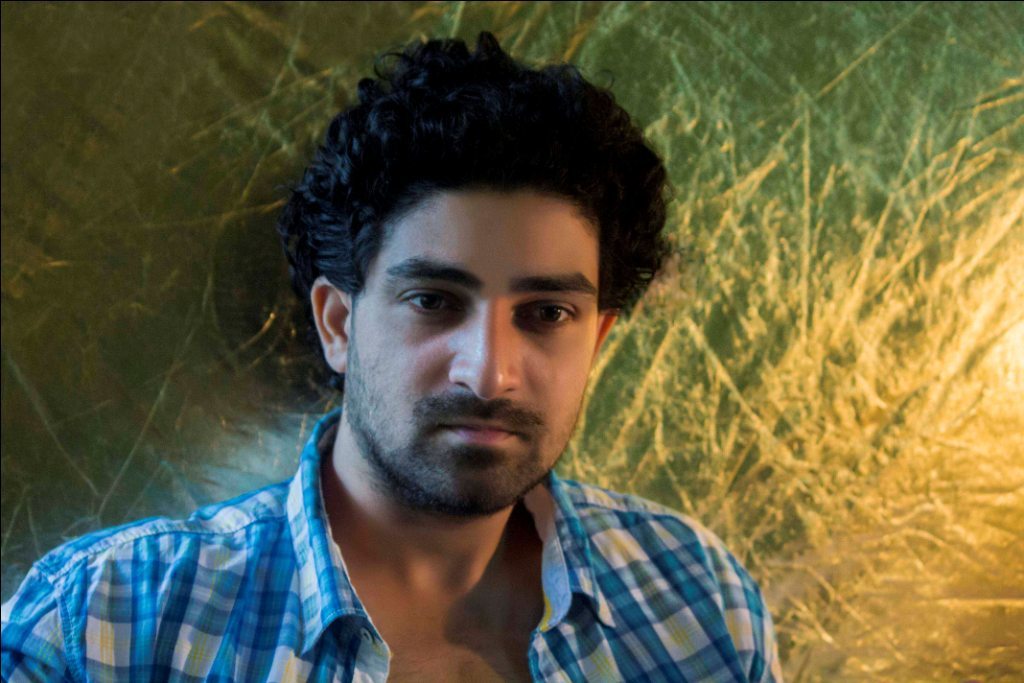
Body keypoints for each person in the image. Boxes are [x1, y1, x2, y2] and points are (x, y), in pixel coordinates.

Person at [1, 32, 782, 682]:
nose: (489, 372)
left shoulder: (700, 603)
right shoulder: (104, 629)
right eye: (435, 301)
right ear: (338, 323)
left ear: (598, 340)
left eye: (547, 314)